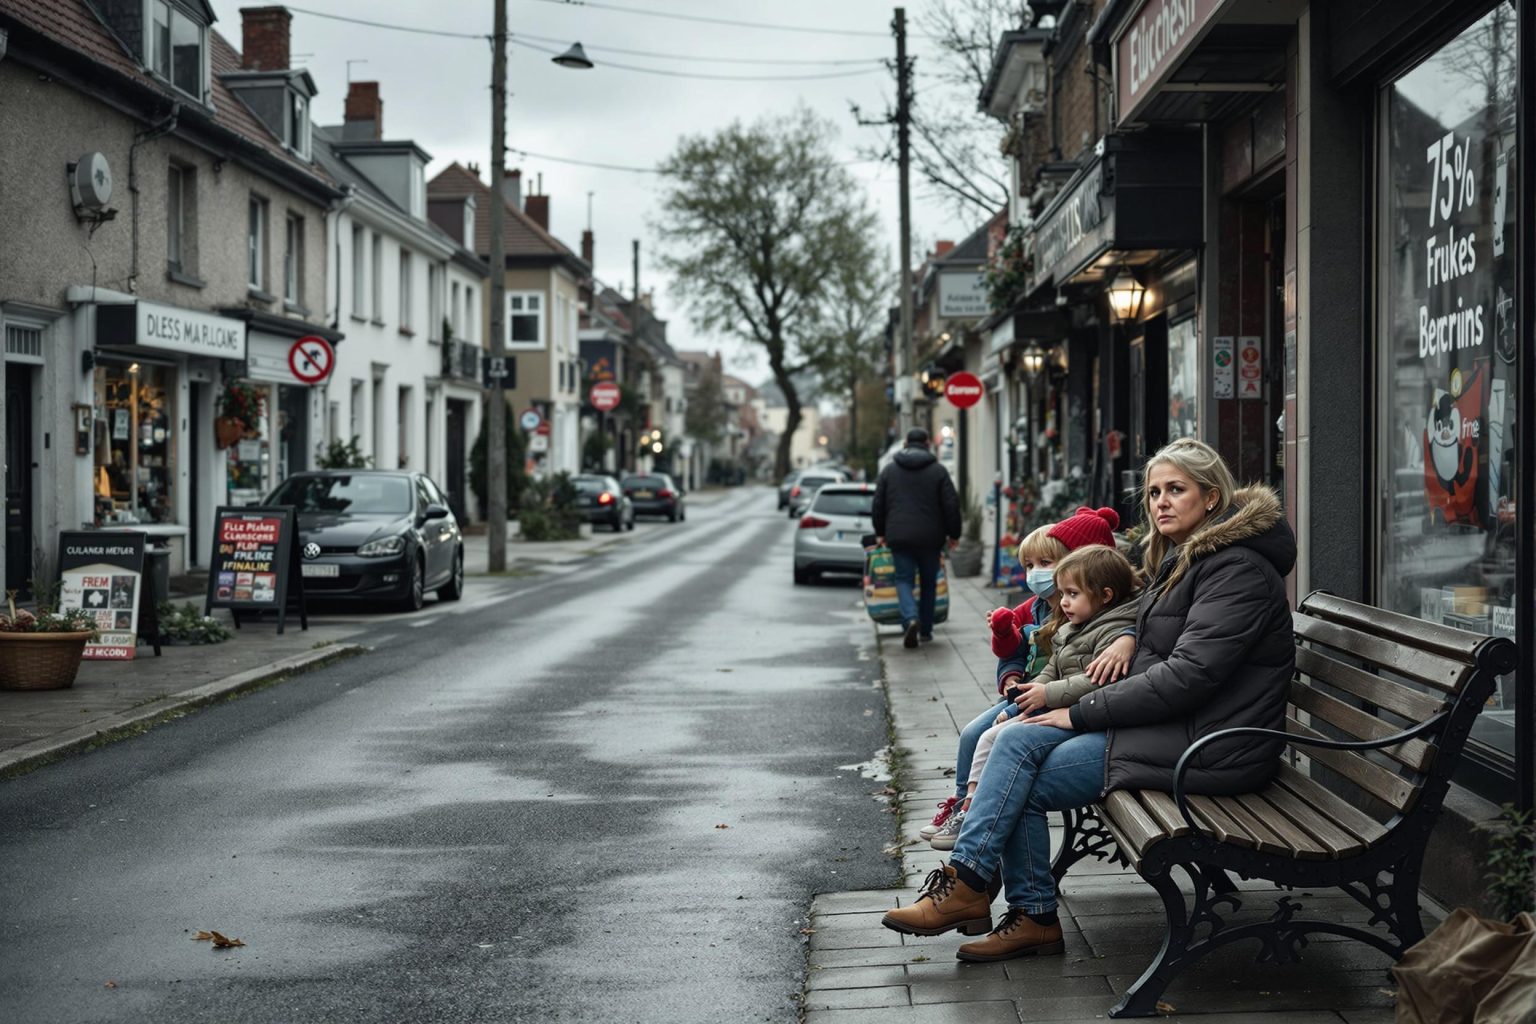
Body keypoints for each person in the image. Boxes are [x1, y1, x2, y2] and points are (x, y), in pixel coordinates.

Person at [880, 437, 1296, 964]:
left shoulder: (1235, 570)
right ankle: (996, 900)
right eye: (1152, 493)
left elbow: (1189, 676)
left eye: (1176, 490)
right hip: (1177, 727)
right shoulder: (1187, 558)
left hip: (1212, 744)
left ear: (1211, 498)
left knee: (1017, 762)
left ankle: (994, 899)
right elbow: (1144, 621)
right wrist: (1126, 636)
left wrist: (1077, 711)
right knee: (1015, 742)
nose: (1160, 502)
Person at [920, 508, 1127, 850]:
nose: (1037, 573)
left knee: (999, 742)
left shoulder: (1084, 611)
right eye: (1030, 566)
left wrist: (1127, 636)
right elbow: (1013, 651)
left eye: (1047, 563)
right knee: (973, 733)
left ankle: (974, 815)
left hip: (1057, 699)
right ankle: (962, 804)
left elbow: (1103, 648)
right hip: (1029, 691)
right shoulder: (1036, 607)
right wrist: (1010, 674)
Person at [872, 427, 962, 648]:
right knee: (929, 582)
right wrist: (954, 534)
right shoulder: (938, 471)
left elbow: (878, 504)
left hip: (899, 535)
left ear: (905, 444)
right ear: (928, 443)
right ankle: (926, 630)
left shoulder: (889, 471)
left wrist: (880, 532)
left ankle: (910, 618)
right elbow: (951, 504)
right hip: (931, 537)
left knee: (903, 579)